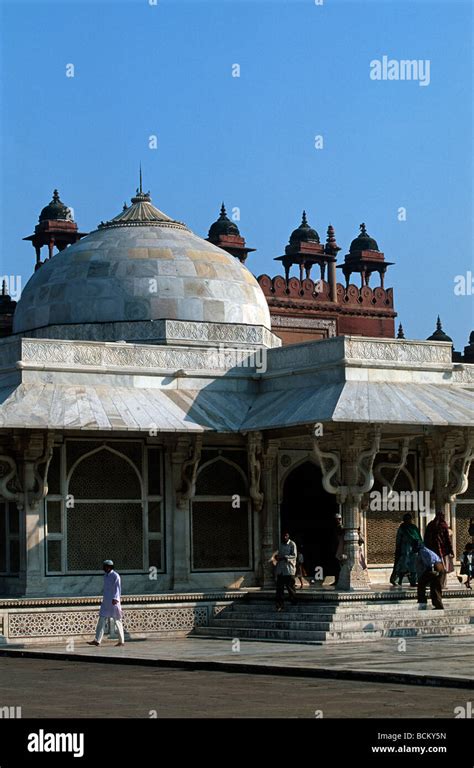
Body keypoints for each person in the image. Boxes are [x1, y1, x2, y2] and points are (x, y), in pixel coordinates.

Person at [88, 560, 125, 646]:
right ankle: (97, 640)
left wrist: (115, 598)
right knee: (101, 620)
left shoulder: (115, 576)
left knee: (117, 620)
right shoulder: (105, 576)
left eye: (106, 566)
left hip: (114, 602)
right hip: (106, 601)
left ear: (109, 567)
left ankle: (121, 641)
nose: (104, 568)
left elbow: (117, 588)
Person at [390, 513, 422, 587]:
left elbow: (418, 538)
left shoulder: (413, 528)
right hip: (404, 550)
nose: (408, 520)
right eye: (406, 519)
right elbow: (398, 539)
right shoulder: (402, 528)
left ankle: (413, 582)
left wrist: (420, 546)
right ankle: (397, 580)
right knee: (402, 566)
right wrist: (398, 549)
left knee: (413, 566)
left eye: (409, 519)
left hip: (413, 550)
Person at [424, 511, 454, 586]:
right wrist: (451, 550)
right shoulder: (443, 525)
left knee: (433, 568)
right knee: (443, 569)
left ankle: (433, 583)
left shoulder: (431, 525)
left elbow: (426, 538)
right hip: (442, 551)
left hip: (432, 551)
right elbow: (447, 539)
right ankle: (441, 584)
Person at [413, 541, 445, 609]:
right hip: (439, 567)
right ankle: (438, 605)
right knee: (435, 586)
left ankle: (422, 601)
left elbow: (430, 561)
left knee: (422, 583)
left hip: (435, 568)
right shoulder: (425, 550)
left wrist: (433, 571)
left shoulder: (422, 551)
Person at [275, 532, 297, 611]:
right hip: (280, 569)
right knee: (279, 588)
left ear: (288, 536)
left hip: (288, 569)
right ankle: (280, 605)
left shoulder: (292, 544)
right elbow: (277, 554)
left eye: (286, 536)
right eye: (283, 536)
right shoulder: (280, 545)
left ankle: (293, 601)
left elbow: (294, 555)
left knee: (290, 587)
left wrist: (285, 557)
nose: (284, 537)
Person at [332, 513, 345, 587]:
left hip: (339, 547)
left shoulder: (341, 527)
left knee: (339, 565)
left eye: (337, 519)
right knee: (336, 565)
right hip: (336, 547)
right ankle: (336, 580)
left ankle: (338, 580)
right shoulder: (337, 527)